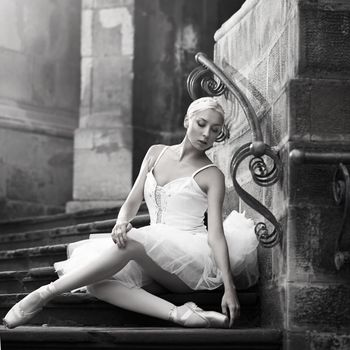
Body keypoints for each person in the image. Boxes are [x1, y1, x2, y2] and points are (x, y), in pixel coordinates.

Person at [3, 97, 259, 329]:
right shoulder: (155, 153)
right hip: (155, 251)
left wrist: (229, 286)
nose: (206, 134)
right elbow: (132, 201)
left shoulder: (212, 175)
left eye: (215, 130)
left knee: (135, 241)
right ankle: (181, 314)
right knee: (97, 282)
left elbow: (215, 234)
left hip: (191, 259)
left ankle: (42, 295)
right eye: (201, 124)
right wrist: (121, 223)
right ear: (186, 120)